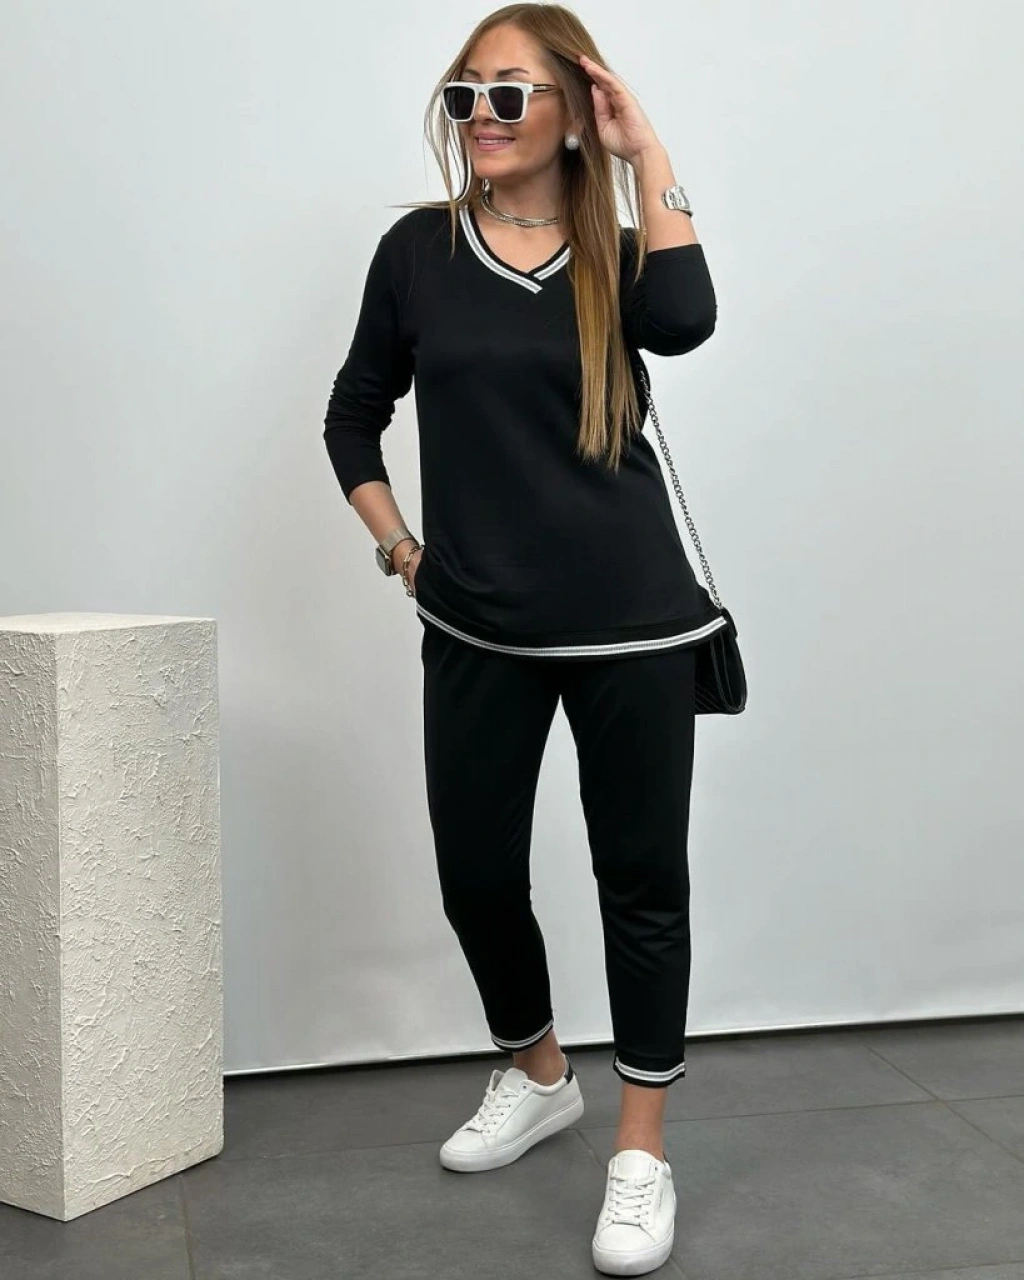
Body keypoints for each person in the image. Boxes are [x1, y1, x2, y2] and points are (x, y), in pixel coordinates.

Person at [323, 5, 719, 1274]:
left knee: (639, 881)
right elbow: (351, 415)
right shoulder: (417, 251)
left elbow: (688, 319)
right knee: (476, 876)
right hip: (476, 622)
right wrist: (402, 548)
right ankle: (540, 1071)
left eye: (511, 94)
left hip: (633, 625)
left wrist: (646, 148)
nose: (482, 117)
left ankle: (640, 1149)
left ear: (572, 111)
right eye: (466, 94)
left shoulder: (621, 255)